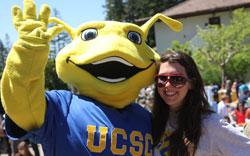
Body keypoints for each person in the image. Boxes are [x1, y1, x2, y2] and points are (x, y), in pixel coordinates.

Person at [152, 51, 250, 156]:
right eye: (162, 78)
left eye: (177, 79)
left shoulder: (211, 124)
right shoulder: (152, 119)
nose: (167, 85)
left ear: (191, 83)